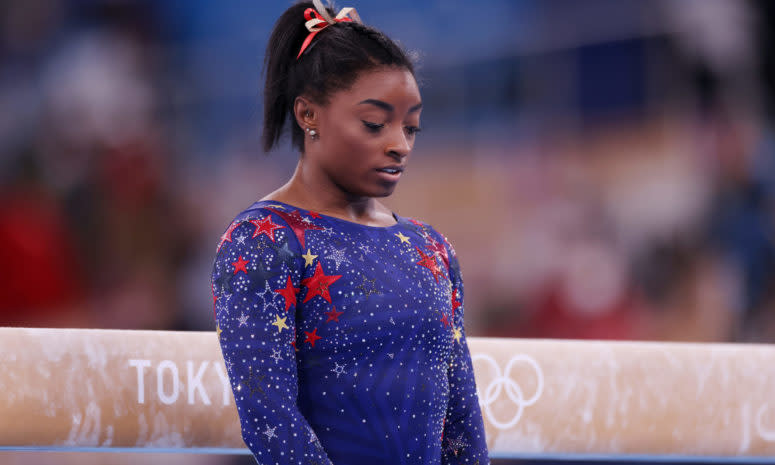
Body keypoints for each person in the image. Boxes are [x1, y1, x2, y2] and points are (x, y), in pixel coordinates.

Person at [210, 1, 489, 463]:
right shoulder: (265, 241)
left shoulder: (431, 248)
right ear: (308, 115)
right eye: (375, 124)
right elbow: (269, 418)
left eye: (411, 128)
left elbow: (461, 422)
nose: (399, 145)